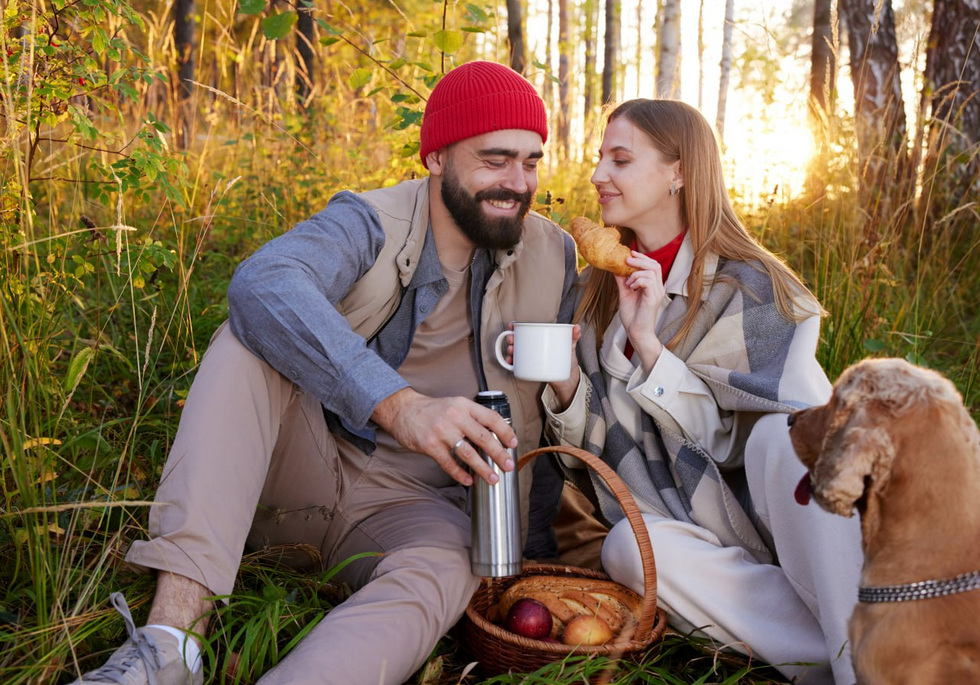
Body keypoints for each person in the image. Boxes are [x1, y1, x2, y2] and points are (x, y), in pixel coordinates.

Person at [70, 60, 578, 685]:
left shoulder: (555, 256)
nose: (517, 182)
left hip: (417, 511)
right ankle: (172, 643)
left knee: (453, 564)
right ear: (437, 157)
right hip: (304, 475)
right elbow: (264, 282)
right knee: (248, 340)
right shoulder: (369, 221)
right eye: (495, 158)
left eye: (531, 161)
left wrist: (533, 555)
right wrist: (399, 404)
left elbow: (546, 429)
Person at [541, 99, 862, 684]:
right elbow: (588, 458)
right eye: (598, 158)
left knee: (783, 438)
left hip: (786, 522)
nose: (596, 175)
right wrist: (565, 386)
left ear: (679, 171)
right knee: (624, 548)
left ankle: (861, 661)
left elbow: (734, 442)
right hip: (685, 530)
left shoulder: (756, 287)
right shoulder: (593, 291)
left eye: (620, 158)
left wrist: (652, 345)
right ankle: (836, 656)